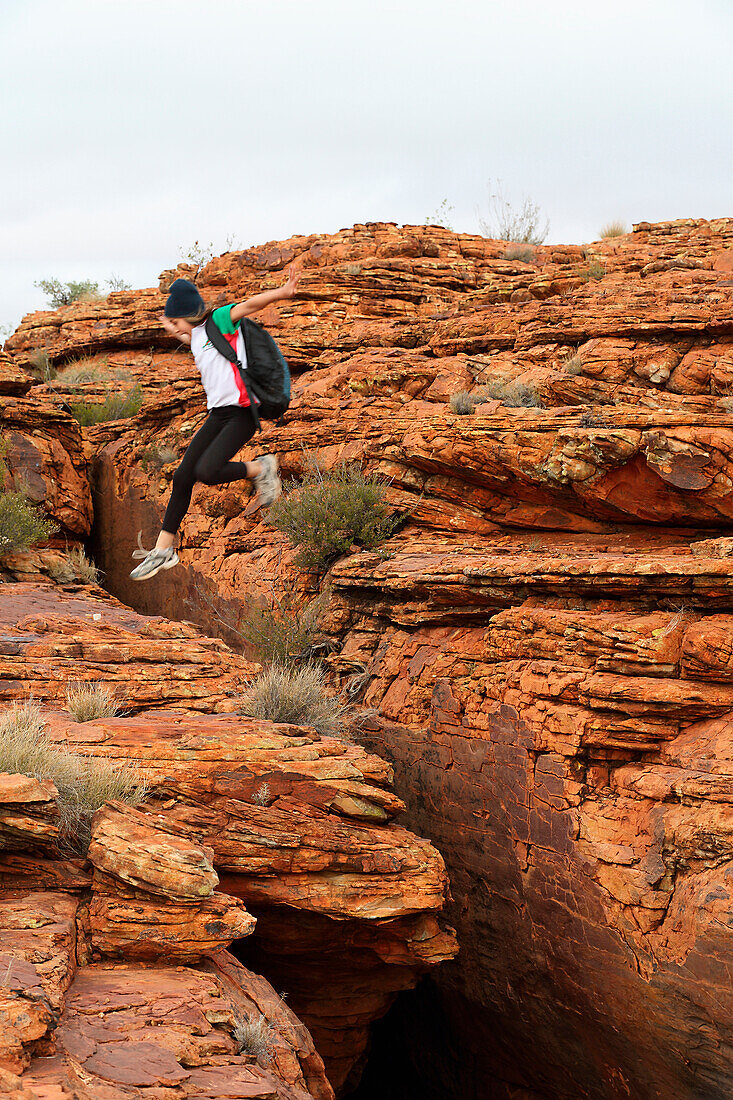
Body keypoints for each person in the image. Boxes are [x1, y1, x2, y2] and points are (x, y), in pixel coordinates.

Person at [130, 267, 300, 581]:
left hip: (241, 414)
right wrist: (172, 329)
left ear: (189, 316)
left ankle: (261, 469)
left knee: (206, 472)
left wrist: (283, 292)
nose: (178, 328)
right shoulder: (193, 335)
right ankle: (162, 550)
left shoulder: (220, 321)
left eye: (177, 321)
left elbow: (250, 305)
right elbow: (187, 335)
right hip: (218, 415)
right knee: (182, 476)